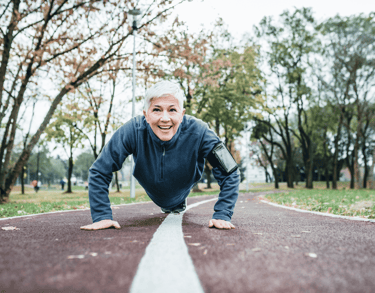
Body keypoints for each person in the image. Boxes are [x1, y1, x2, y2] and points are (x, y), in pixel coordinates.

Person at [80, 81, 239, 231]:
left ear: (182, 114)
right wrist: (101, 216)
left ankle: (177, 203)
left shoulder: (201, 132)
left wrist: (223, 214)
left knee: (175, 204)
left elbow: (230, 171)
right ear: (146, 115)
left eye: (172, 110)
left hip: (182, 185)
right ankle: (172, 204)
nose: (164, 118)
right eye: (156, 109)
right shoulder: (132, 130)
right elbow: (100, 170)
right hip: (152, 185)